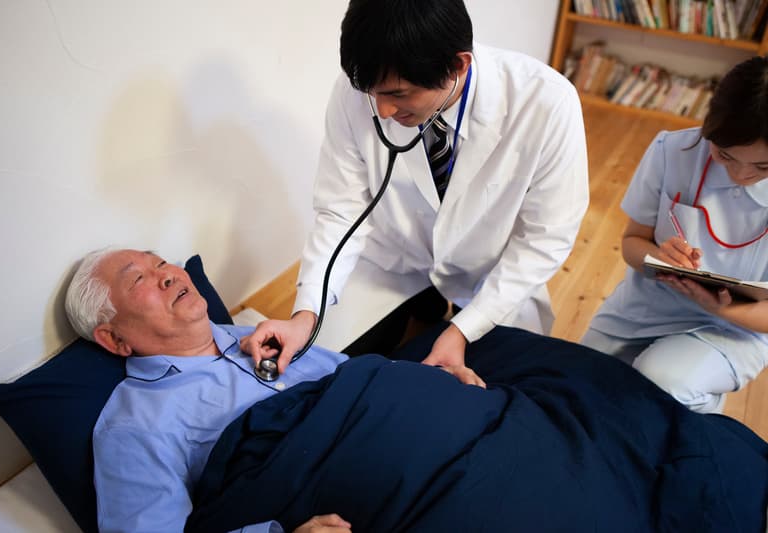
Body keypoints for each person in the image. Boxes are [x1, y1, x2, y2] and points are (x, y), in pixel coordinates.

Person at [241, 0, 589, 374]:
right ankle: (424, 303)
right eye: (373, 94)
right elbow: (340, 211)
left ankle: (446, 312)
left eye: (399, 94)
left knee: (499, 387)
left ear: (458, 65)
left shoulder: (547, 103)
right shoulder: (360, 89)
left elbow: (544, 239)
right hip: (395, 260)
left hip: (491, 274)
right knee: (316, 365)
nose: (383, 111)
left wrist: (464, 329)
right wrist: (306, 312)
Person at [65, 248, 485, 533]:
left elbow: (359, 381)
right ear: (114, 339)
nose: (168, 275)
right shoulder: (132, 427)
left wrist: (431, 381)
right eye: (139, 278)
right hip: (359, 488)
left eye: (161, 263)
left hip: (424, 431)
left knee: (514, 364)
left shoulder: (261, 333)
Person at [581, 56, 768, 413]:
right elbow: (632, 243)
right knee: (576, 381)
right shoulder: (673, 150)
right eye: (725, 155)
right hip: (647, 307)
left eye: (762, 166)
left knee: (661, 384)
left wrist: (721, 309)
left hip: (735, 328)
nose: (740, 174)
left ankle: (701, 412)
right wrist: (657, 257)